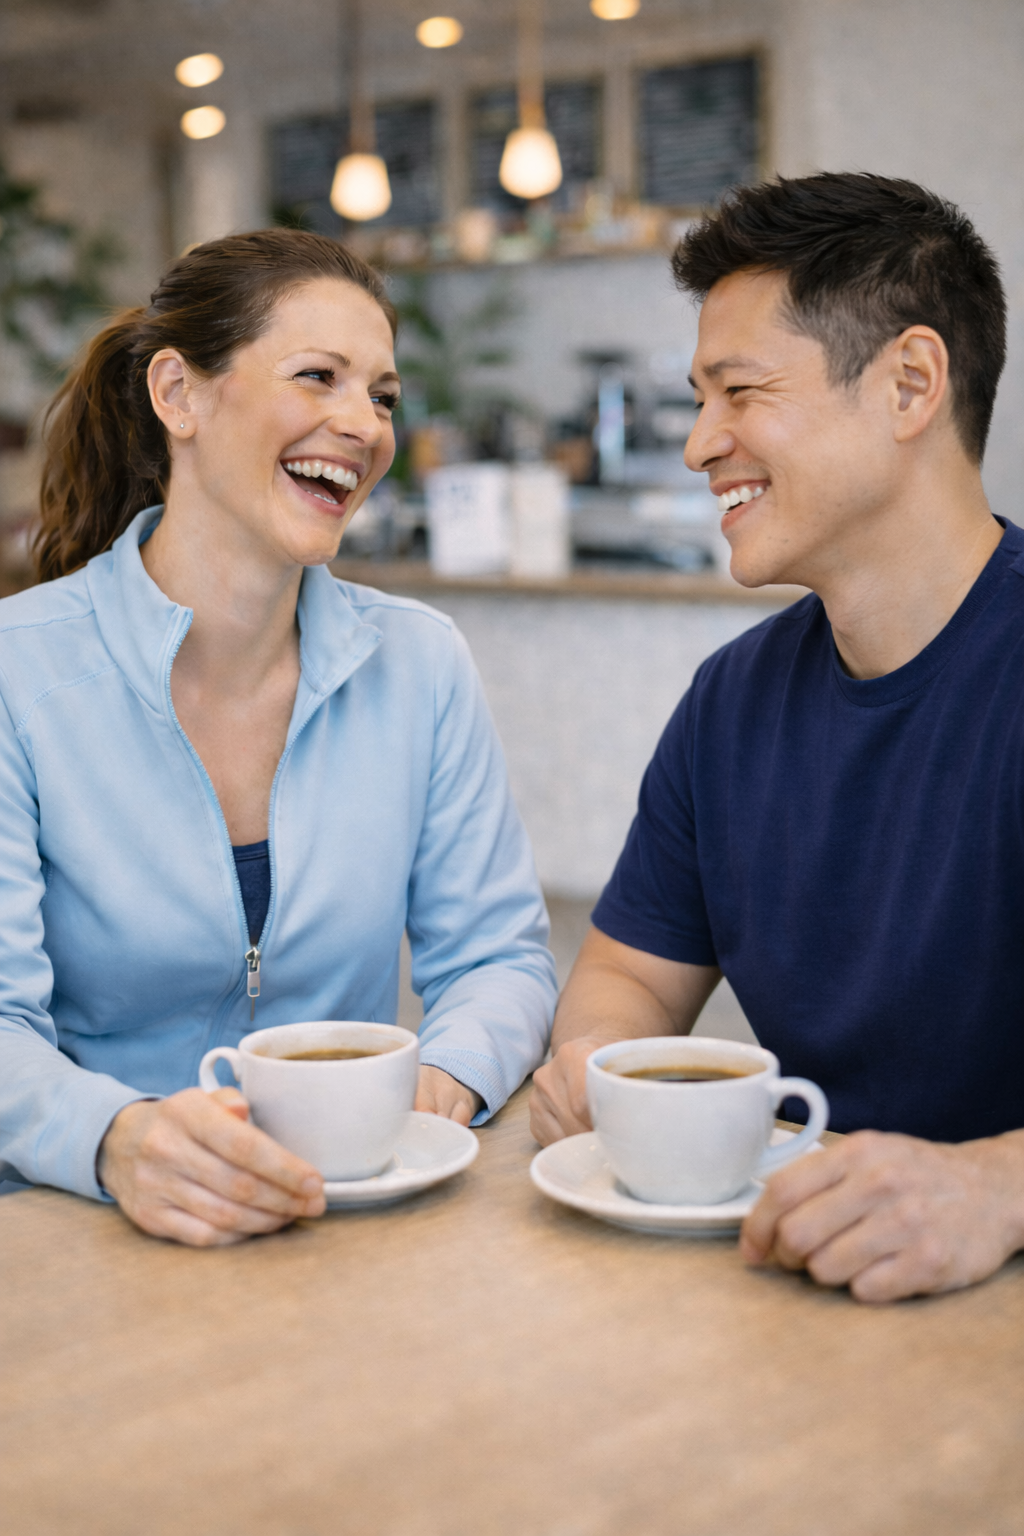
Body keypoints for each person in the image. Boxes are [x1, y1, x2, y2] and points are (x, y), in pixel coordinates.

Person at [0, 228, 556, 1245]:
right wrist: (118, 1139)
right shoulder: (17, 672)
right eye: (319, 377)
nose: (363, 426)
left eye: (381, 395)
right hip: (79, 1222)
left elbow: (499, 958)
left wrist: (434, 1092)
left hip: (345, 1218)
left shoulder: (420, 663)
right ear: (180, 395)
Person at [530, 172, 1024, 1303]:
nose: (702, 443)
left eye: (738, 391)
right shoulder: (731, 701)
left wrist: (994, 1187)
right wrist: (591, 1066)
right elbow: (626, 974)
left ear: (908, 383)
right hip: (799, 1289)